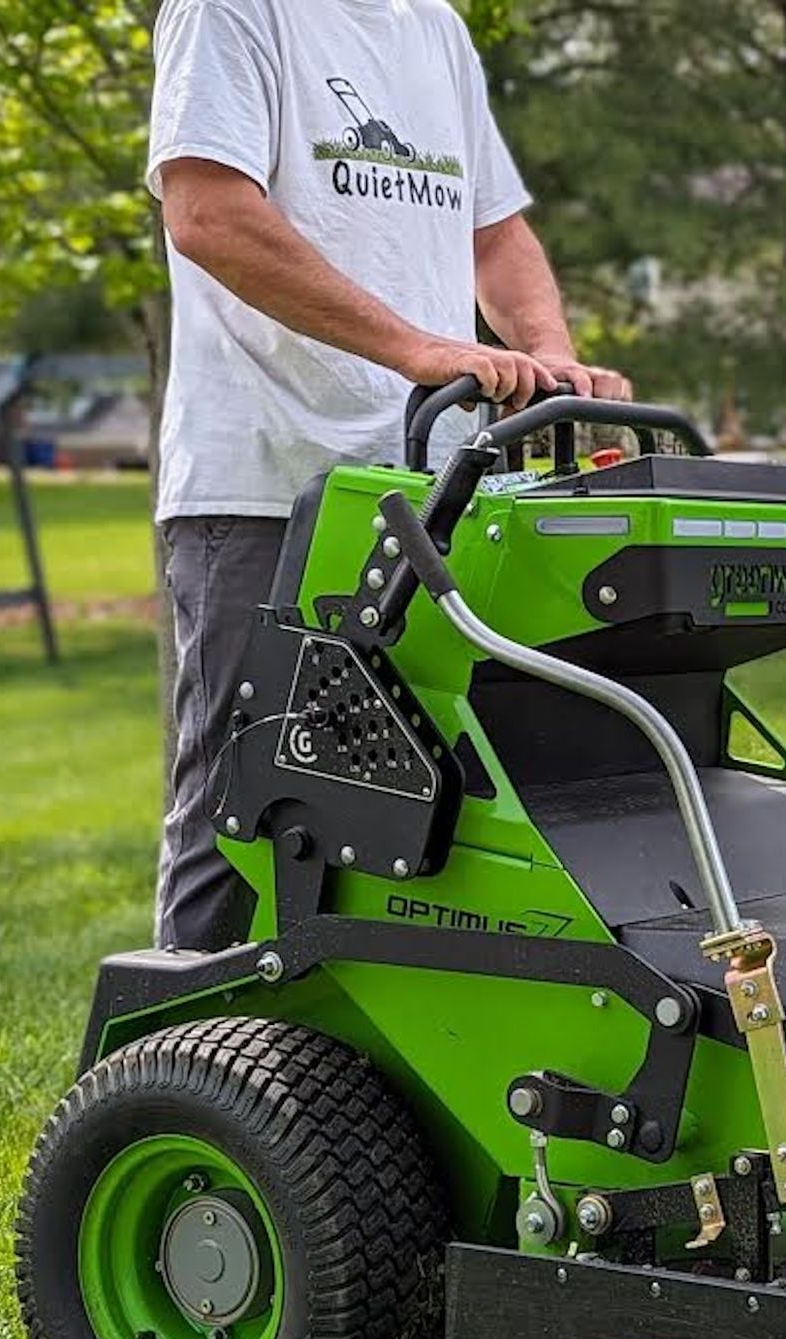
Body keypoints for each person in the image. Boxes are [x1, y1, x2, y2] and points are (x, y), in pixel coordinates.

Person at [147, 0, 629, 952]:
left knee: (411, 806)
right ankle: (177, 1080)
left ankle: (326, 1082)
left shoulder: (434, 28)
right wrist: (415, 345)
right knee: (241, 803)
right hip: (267, 483)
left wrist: (553, 357)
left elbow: (495, 235)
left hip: (429, 487)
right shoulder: (233, 9)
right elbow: (207, 212)